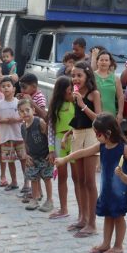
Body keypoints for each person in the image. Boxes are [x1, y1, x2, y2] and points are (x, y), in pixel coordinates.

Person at [57, 113, 127, 253]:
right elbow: (82, 152)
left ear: (108, 133)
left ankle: (118, 245)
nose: (96, 136)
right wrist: (65, 159)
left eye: (97, 134)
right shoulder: (102, 146)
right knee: (108, 216)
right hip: (106, 190)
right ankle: (106, 243)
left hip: (120, 191)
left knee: (118, 217)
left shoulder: (124, 149)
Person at [66, 61, 102, 238]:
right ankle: (82, 217)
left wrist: (83, 104)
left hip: (90, 135)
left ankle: (92, 223)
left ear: (87, 76)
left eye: (79, 75)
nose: (75, 78)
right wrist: (68, 132)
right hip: (77, 135)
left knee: (89, 181)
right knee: (78, 179)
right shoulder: (75, 94)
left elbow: (98, 119)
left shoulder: (93, 94)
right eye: (73, 75)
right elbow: (77, 118)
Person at [47, 76, 75, 220]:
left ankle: (82, 212)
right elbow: (50, 129)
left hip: (74, 141)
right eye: (69, 90)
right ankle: (63, 208)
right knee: (62, 177)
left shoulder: (76, 103)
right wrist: (51, 150)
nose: (72, 92)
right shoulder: (55, 107)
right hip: (59, 142)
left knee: (77, 177)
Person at [18, 98, 54, 212]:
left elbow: (49, 136)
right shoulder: (23, 127)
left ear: (33, 110)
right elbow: (25, 142)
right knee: (33, 178)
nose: (25, 113)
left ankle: (49, 200)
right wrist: (26, 155)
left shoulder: (39, 122)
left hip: (45, 156)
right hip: (32, 158)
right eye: (21, 111)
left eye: (27, 110)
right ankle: (34, 199)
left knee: (47, 178)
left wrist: (51, 152)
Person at [0, 76, 25, 190]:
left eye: (8, 86)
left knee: (23, 160)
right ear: (0, 89)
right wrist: (4, 121)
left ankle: (27, 183)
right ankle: (14, 181)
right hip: (5, 138)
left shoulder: (18, 103)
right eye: (3, 86)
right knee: (10, 161)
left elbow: (25, 117)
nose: (6, 88)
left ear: (14, 89)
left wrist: (16, 120)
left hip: (19, 137)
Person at [93, 49, 124, 121]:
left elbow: (120, 97)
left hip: (111, 115)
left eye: (106, 60)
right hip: (95, 115)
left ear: (110, 62)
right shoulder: (92, 76)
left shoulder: (115, 78)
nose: (104, 62)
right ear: (97, 62)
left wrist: (120, 113)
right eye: (101, 60)